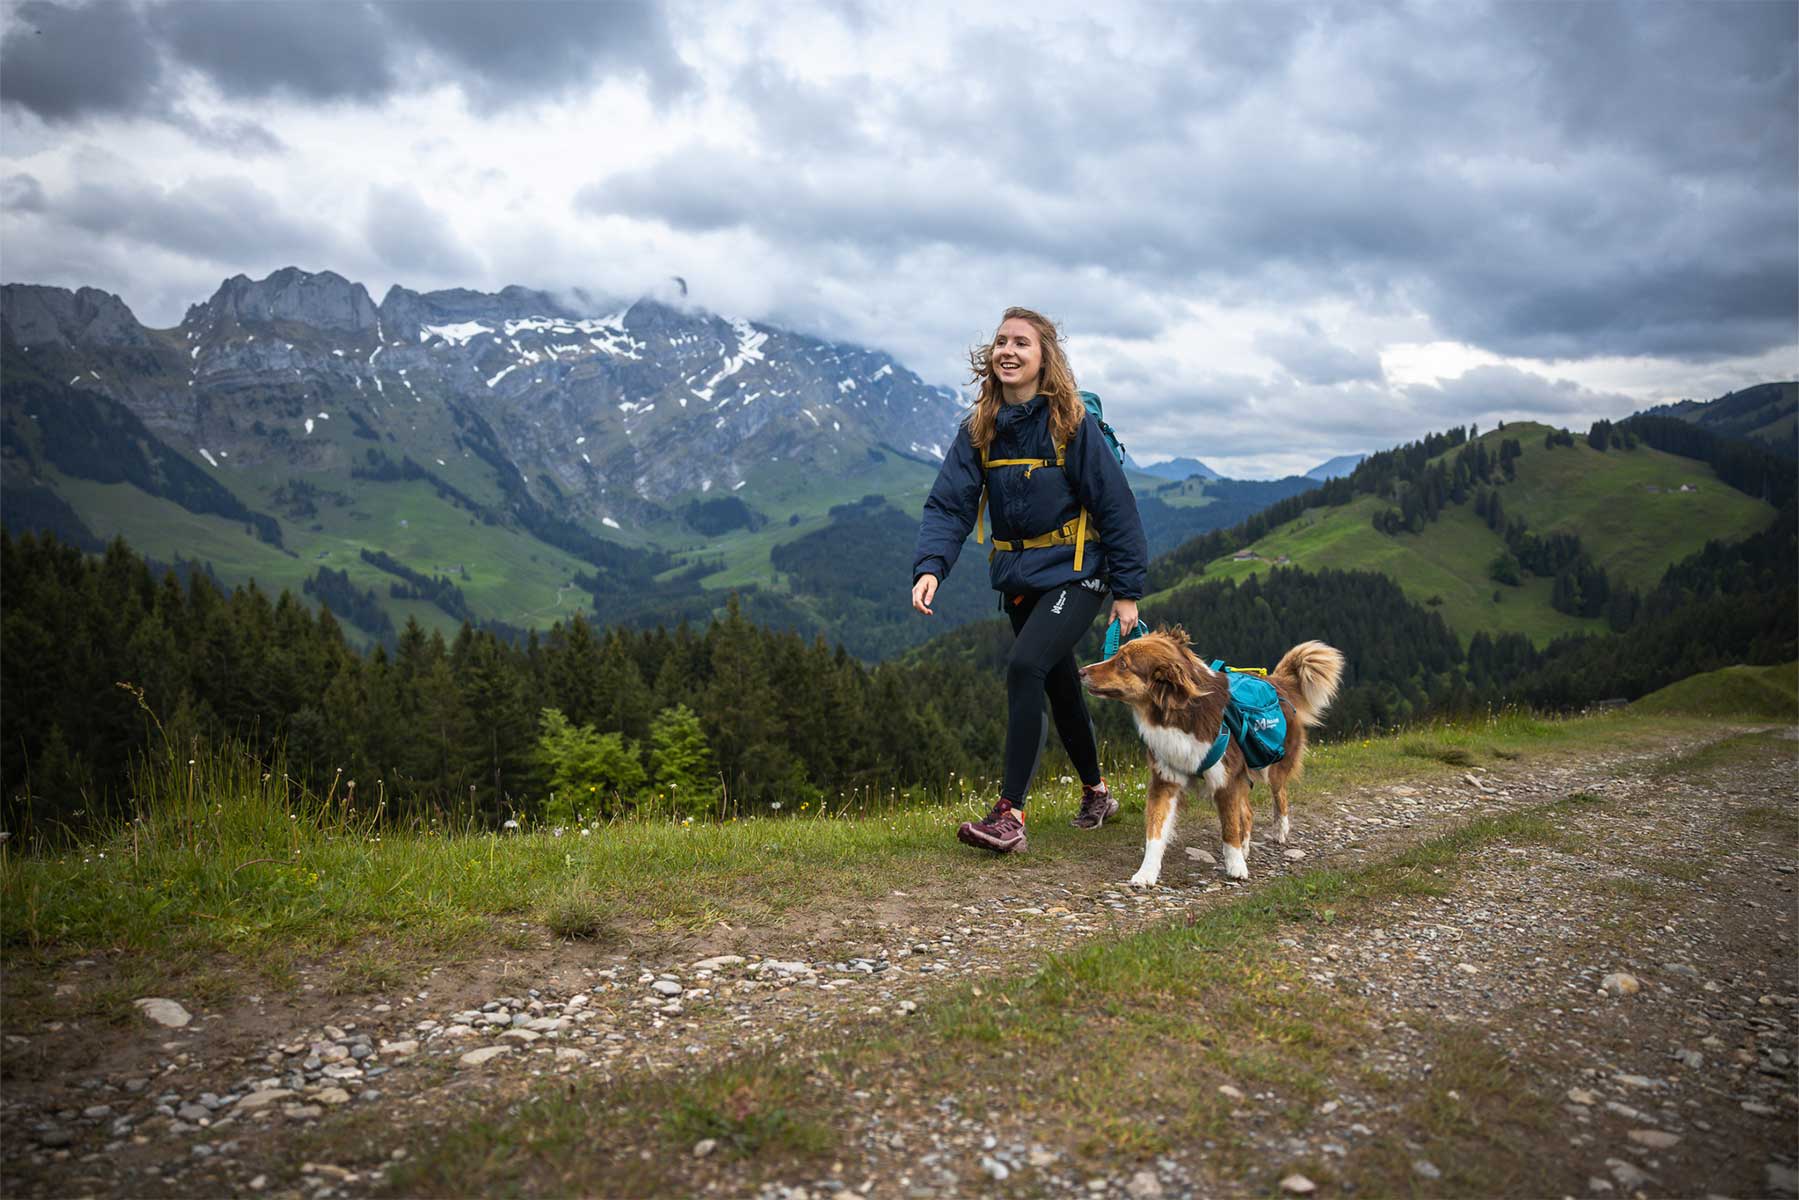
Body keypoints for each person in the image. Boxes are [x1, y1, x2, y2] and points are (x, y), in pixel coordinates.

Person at [910, 307, 1149, 853]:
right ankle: (1097, 793)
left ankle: (1009, 814)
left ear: (1045, 358)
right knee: (1059, 682)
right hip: (1019, 577)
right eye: (1000, 342)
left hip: (1077, 575)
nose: (1008, 351)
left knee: (1024, 666)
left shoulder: (1071, 425)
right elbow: (949, 506)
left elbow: (1116, 508)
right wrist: (930, 567)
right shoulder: (980, 430)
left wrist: (1126, 591)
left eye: (1022, 343)